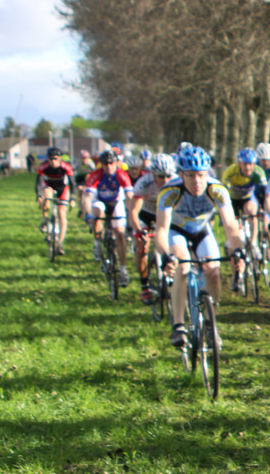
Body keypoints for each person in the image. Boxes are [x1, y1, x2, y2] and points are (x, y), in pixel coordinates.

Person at [156, 145, 245, 348]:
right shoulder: (169, 191)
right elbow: (161, 230)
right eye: (190, 176)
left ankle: (211, 322)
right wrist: (165, 255)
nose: (196, 181)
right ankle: (179, 326)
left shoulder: (217, 190)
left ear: (208, 173)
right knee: (182, 267)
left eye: (201, 175)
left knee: (213, 271)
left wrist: (237, 250)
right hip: (177, 231)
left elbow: (231, 225)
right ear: (181, 175)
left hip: (202, 230)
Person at [129, 153, 177, 302]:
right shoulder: (144, 183)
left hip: (167, 214)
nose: (166, 180)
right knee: (142, 245)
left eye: (168, 176)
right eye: (161, 176)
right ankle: (144, 286)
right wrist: (138, 230)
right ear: (153, 174)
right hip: (146, 214)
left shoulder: (176, 181)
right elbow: (133, 211)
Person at [83, 149, 135, 287]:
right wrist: (88, 214)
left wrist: (132, 214)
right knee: (97, 213)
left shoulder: (121, 174)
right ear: (102, 164)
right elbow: (87, 197)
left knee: (120, 235)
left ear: (116, 163)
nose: (109, 166)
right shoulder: (96, 175)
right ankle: (97, 243)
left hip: (116, 202)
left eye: (111, 163)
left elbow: (130, 197)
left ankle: (123, 270)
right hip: (100, 200)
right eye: (105, 164)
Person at [220, 147, 267, 291]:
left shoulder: (258, 172)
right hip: (232, 200)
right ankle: (236, 275)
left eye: (250, 164)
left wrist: (262, 209)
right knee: (233, 231)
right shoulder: (230, 172)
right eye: (245, 164)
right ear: (239, 163)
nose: (248, 167)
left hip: (248, 199)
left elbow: (263, 193)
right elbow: (223, 193)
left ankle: (253, 242)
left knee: (252, 211)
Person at [35, 147, 76, 255]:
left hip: (62, 188)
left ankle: (59, 244)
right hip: (49, 186)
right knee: (47, 196)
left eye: (55, 159)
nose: (53, 161)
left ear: (60, 158)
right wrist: (38, 195)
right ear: (47, 159)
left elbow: (72, 183)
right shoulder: (43, 166)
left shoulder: (66, 167)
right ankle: (45, 219)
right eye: (51, 159)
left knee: (62, 215)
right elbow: (38, 182)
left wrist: (72, 198)